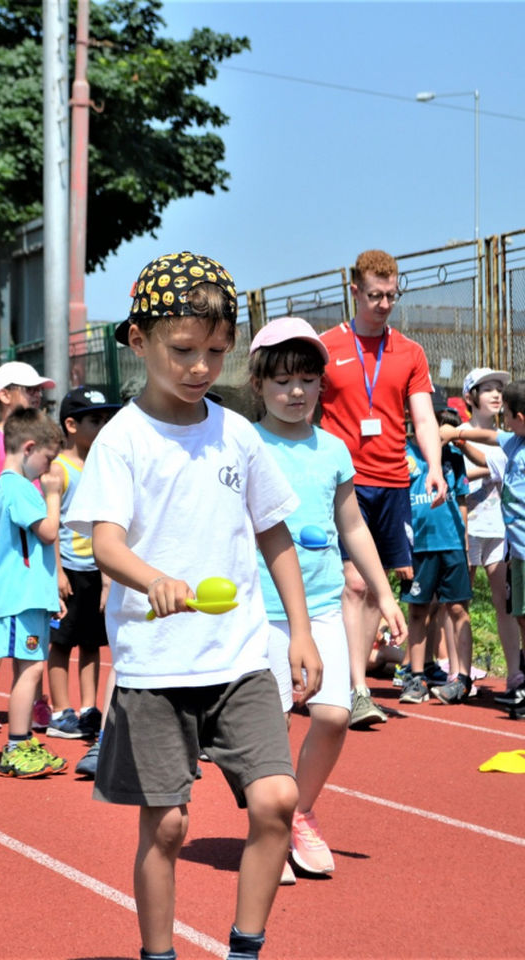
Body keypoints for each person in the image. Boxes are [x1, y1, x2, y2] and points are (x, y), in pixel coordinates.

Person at [67, 251, 322, 960]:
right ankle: (160, 954)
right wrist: (152, 580)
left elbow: (273, 531)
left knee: (276, 803)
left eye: (216, 350)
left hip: (239, 659)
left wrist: (300, 632)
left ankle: (245, 949)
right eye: (182, 350)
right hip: (155, 667)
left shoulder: (238, 433)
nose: (200, 366)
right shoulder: (121, 439)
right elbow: (105, 544)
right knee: (169, 827)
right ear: (138, 341)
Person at [248, 317, 406, 882]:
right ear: (258, 384)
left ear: (321, 384)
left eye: (307, 380)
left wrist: (384, 594)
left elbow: (352, 526)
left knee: (334, 714)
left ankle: (298, 812)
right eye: (282, 381)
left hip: (321, 608)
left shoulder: (335, 450)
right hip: (260, 612)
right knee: (271, 724)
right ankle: (268, 825)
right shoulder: (247, 444)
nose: (295, 392)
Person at [319, 250, 446, 729]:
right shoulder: (326, 346)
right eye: (375, 295)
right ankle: (353, 687)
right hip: (343, 482)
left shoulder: (409, 352)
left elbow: (423, 414)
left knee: (374, 589)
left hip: (393, 481)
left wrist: (432, 464)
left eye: (392, 295)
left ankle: (355, 686)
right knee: (351, 583)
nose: (384, 304)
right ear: (354, 290)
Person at [0, 359, 56, 734]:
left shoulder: (31, 463)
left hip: (34, 562)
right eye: (29, 388)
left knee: (31, 652)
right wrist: (41, 499)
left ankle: (31, 710)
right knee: (1, 630)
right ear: (4, 395)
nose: (37, 395)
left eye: (40, 390)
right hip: (7, 552)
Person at [0, 406, 68, 776]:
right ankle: (17, 745)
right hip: (21, 597)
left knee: (31, 667)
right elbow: (48, 532)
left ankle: (22, 742)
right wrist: (54, 495)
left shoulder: (16, 485)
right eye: (48, 459)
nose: (49, 468)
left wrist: (50, 594)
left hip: (31, 595)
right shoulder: (18, 486)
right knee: (30, 669)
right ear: (29, 447)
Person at [45, 386, 119, 741]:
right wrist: (57, 570)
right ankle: (61, 711)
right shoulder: (58, 470)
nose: (103, 426)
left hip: (98, 569)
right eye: (95, 420)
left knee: (92, 642)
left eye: (107, 419)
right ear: (71, 425)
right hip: (69, 570)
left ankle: (89, 708)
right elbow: (52, 524)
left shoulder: (105, 466)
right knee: (61, 641)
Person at [398, 394, 474, 704]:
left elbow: (463, 501)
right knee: (418, 610)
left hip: (452, 544)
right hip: (419, 547)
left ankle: (463, 679)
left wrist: (464, 544)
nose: (436, 427)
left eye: (443, 421)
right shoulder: (402, 454)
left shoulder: (454, 457)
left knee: (457, 609)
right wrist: (400, 551)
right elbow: (397, 506)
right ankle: (416, 678)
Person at [460, 367, 523, 698]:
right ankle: (458, 672)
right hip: (467, 527)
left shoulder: (510, 436)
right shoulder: (458, 432)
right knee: (458, 603)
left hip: (500, 530)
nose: (497, 394)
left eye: (500, 388)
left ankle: (515, 674)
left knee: (506, 605)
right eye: (488, 389)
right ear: (470, 397)